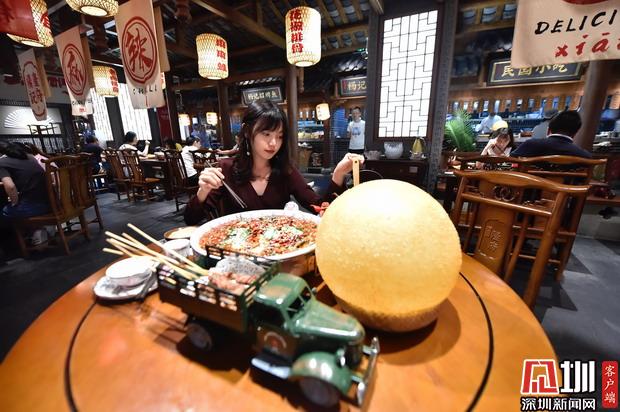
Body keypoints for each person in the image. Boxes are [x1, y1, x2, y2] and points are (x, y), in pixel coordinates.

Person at [184, 100, 363, 225]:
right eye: (266, 134)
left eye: (280, 136)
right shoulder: (226, 170)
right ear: (247, 132)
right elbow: (190, 219)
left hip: (277, 253)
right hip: (237, 255)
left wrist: (338, 174)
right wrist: (203, 191)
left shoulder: (285, 171)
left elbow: (322, 209)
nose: (273, 143)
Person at [0, 141, 50, 219]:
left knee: (3, 211)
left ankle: (29, 227)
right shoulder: (30, 157)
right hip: (50, 202)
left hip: (34, 206)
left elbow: (10, 187)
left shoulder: (2, 162)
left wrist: (14, 204)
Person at [511, 110, 592, 158]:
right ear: (575, 133)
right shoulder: (584, 156)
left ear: (548, 130)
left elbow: (510, 162)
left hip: (529, 182)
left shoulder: (530, 144)